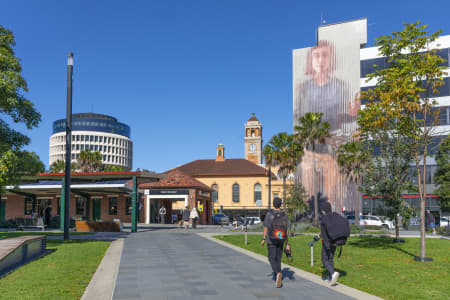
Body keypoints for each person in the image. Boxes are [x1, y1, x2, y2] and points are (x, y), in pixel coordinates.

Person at [260, 197, 290, 288]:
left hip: (271, 239)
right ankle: (278, 275)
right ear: (280, 204)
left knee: (271, 258)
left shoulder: (269, 214)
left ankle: (277, 273)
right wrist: (287, 243)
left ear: (273, 204)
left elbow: (266, 227)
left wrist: (263, 239)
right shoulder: (284, 214)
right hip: (281, 239)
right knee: (278, 258)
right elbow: (287, 229)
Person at [320, 202, 340, 286]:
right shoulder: (334, 217)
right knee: (330, 258)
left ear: (324, 210)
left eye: (322, 210)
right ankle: (331, 278)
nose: (322, 212)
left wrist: (326, 244)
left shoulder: (324, 219)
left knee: (324, 259)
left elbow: (324, 234)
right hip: (335, 241)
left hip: (327, 242)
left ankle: (333, 273)